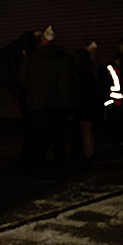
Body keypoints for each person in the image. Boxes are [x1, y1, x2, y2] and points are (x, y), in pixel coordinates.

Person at [18, 25, 77, 174]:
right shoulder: (66, 59)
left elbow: (22, 81)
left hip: (39, 105)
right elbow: (72, 80)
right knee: (59, 138)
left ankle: (36, 165)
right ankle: (59, 166)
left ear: (42, 41)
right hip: (60, 105)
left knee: (39, 137)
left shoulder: (32, 60)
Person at [73, 40, 102, 166]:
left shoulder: (83, 73)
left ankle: (89, 156)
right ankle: (89, 154)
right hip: (91, 105)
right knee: (88, 132)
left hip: (86, 106)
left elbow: (83, 91)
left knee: (86, 132)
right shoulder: (92, 70)